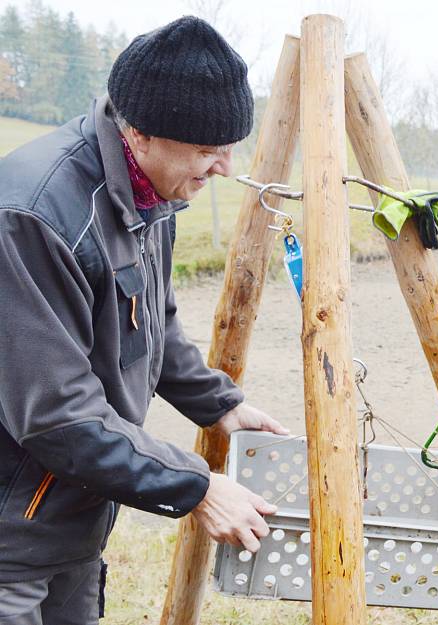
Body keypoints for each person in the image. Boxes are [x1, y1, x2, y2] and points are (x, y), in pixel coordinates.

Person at [0, 16, 288, 625]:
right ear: (141, 133)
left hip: (71, 518)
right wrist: (197, 486)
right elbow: (58, 416)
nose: (226, 167)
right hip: (10, 537)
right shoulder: (31, 218)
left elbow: (152, 318)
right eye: (209, 148)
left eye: (230, 145)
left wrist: (217, 403)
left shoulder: (150, 195)